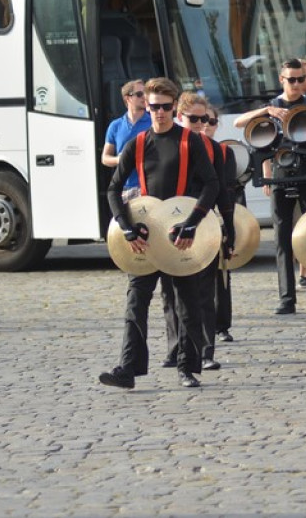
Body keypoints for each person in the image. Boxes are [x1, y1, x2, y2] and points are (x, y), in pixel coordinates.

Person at [99, 77, 221, 390]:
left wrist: (193, 221)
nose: (160, 112)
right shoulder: (137, 143)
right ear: (146, 106)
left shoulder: (189, 141)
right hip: (145, 235)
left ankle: (186, 367)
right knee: (135, 304)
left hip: (179, 234)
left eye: (166, 107)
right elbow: (113, 188)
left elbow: (212, 184)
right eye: (154, 107)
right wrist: (126, 227)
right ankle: (128, 368)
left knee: (186, 305)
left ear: (173, 106)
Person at [233, 59, 306, 314]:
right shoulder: (273, 105)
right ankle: (287, 298)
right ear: (282, 80)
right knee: (282, 238)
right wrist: (264, 112)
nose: (297, 85)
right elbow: (239, 123)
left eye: (301, 79)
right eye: (291, 80)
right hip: (280, 174)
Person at [161, 93, 236, 372]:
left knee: (204, 291)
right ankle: (174, 349)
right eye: (193, 119)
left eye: (204, 119)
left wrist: (229, 230)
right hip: (168, 223)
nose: (199, 124)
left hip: (203, 222)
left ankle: (205, 351)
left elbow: (221, 192)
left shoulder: (213, 149)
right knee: (170, 291)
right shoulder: (168, 144)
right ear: (179, 116)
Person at [204, 105, 238, 343]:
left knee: (221, 273)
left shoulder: (225, 153)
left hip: (216, 216)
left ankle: (222, 325)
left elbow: (229, 190)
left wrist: (229, 224)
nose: (206, 125)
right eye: (202, 120)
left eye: (212, 121)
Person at [101, 79, 152, 201]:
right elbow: (105, 158)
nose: (144, 97)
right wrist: (120, 159)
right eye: (139, 94)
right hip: (124, 188)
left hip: (148, 187)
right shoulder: (115, 125)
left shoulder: (153, 122)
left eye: (146, 93)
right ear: (127, 98)